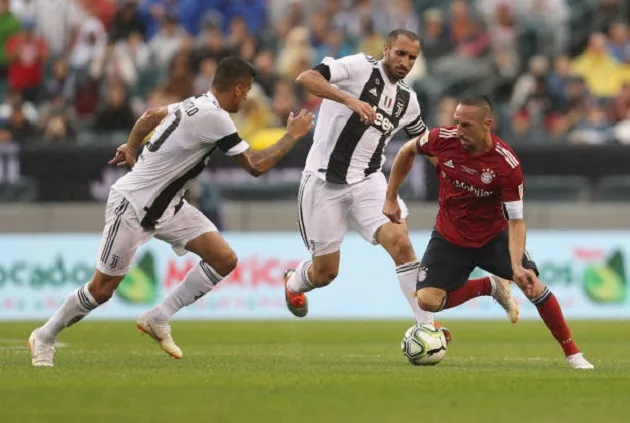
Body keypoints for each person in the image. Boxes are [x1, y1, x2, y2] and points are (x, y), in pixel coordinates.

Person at [28, 56, 314, 367]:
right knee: (102, 289)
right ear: (238, 88)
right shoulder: (216, 117)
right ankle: (44, 335)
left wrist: (131, 145)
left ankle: (158, 316)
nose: (245, 100)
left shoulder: (195, 103)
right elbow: (256, 165)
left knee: (223, 258)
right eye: (245, 94)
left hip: (169, 207)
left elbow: (150, 115)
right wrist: (292, 136)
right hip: (134, 206)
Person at [383, 96, 594, 370]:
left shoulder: (506, 164)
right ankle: (489, 286)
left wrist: (516, 265)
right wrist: (391, 197)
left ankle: (573, 354)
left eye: (466, 125)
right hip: (450, 235)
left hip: (493, 237)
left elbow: (517, 220)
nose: (459, 130)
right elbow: (406, 151)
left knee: (532, 286)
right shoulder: (441, 139)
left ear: (487, 124)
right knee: (427, 301)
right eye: (457, 123)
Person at [283, 28, 441, 331]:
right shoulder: (357, 67)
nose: (405, 62)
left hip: (369, 181)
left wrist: (452, 172)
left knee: (401, 244)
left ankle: (427, 327)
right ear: (386, 49)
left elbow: (423, 141)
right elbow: (305, 78)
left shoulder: (408, 100)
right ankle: (293, 282)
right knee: (325, 274)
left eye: (412, 58)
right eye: (400, 53)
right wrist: (348, 100)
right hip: (323, 182)